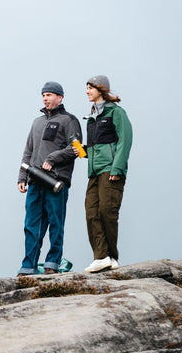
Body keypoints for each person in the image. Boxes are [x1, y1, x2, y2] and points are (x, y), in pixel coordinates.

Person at [17, 82, 82, 276]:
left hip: (56, 182)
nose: (46, 98)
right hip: (35, 181)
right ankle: (28, 266)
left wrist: (53, 158)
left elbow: (78, 149)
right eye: (44, 95)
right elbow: (28, 150)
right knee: (31, 225)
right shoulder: (36, 122)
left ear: (60, 97)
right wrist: (22, 176)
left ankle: (52, 264)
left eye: (50, 95)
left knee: (55, 222)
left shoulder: (69, 120)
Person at [80, 75, 133, 273]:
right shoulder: (91, 117)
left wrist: (117, 168)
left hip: (110, 170)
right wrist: (84, 152)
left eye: (90, 88)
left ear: (101, 89)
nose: (87, 91)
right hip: (94, 171)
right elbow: (100, 146)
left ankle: (111, 256)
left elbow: (125, 141)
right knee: (91, 211)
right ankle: (101, 257)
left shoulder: (117, 112)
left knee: (107, 212)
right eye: (86, 88)